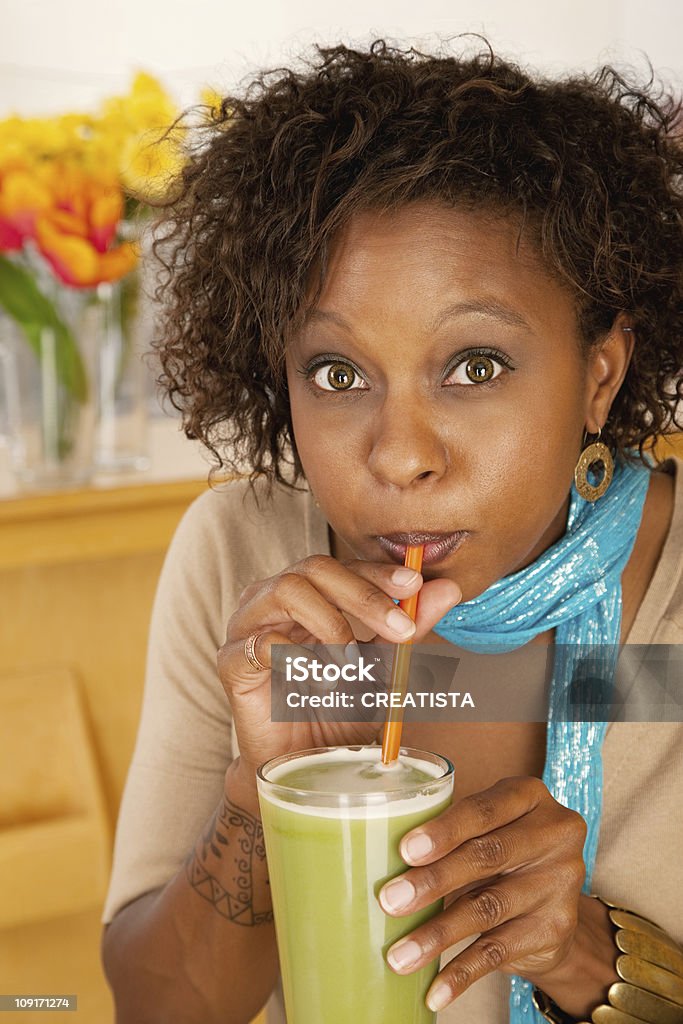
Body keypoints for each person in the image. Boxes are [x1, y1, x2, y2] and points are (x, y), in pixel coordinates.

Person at [101, 40, 683, 1024]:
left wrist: (582, 951)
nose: (400, 457)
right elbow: (158, 1008)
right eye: (337, 373)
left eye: (474, 365)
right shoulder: (238, 559)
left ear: (598, 373)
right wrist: (259, 793)